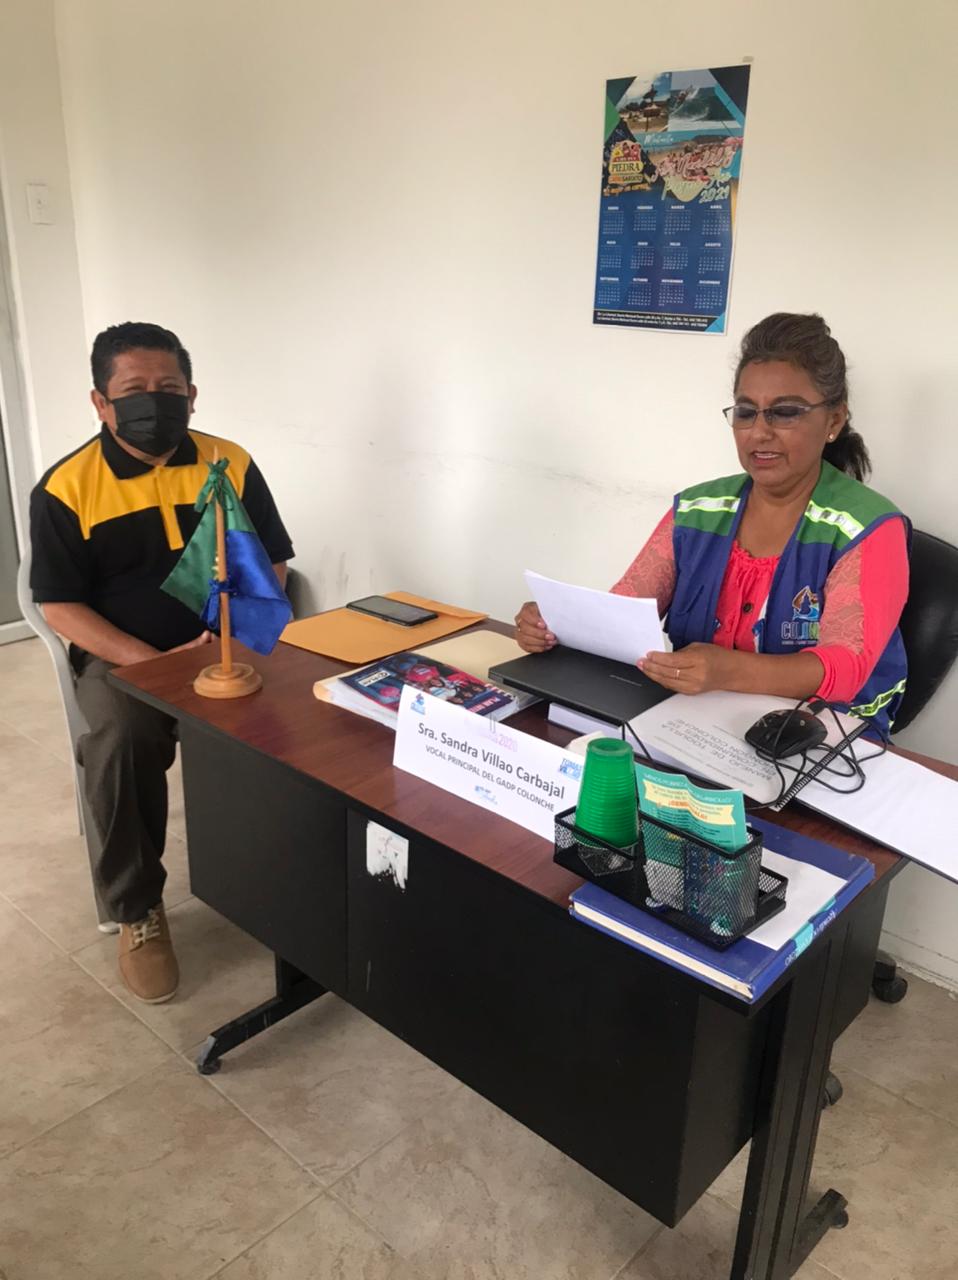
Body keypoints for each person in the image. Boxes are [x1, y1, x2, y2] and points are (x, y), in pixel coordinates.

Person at [30, 322, 294, 1004]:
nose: (155, 401)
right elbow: (59, 606)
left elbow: (271, 561)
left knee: (311, 720)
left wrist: (227, 635)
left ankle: (293, 883)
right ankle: (136, 907)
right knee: (121, 741)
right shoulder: (66, 487)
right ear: (100, 402)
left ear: (192, 394)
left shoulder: (228, 463)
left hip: (226, 645)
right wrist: (151, 665)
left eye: (169, 387)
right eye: (134, 389)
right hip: (125, 659)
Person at [515, 313, 909, 734]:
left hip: (819, 737)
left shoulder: (868, 527)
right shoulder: (698, 510)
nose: (759, 432)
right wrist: (556, 624)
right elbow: (622, 615)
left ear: (833, 420)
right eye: (746, 412)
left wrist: (728, 670)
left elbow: (846, 668)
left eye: (785, 413)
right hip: (694, 725)